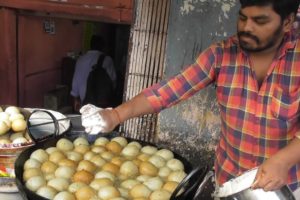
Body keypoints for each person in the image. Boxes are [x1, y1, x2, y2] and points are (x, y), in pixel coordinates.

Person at [80, 0, 300, 198]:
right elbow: (169, 91)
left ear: (288, 22)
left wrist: (284, 160)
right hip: (231, 182)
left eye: (260, 21)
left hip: (289, 185)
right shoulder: (221, 54)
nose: (246, 29)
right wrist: (116, 114)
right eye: (243, 18)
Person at [70, 35, 117, 112]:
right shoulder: (107, 60)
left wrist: (75, 99)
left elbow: (75, 84)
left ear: (90, 45)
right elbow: (113, 82)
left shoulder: (80, 59)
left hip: (85, 104)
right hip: (102, 104)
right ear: (103, 46)